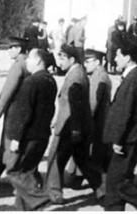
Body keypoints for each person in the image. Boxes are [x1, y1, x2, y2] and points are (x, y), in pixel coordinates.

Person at [43, 44, 102, 205]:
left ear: (72, 59)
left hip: (70, 126)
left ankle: (54, 193)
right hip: (77, 125)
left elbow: (75, 105)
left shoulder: (75, 76)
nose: (59, 62)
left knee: (55, 158)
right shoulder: (78, 72)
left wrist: (74, 130)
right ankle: (103, 190)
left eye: (62, 59)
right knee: (83, 161)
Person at [102, 40, 137, 211]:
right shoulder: (136, 77)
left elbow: (125, 113)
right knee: (115, 185)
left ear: (128, 57)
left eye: (118, 55)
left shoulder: (134, 79)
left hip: (128, 139)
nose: (115, 59)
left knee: (119, 184)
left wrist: (117, 140)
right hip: (131, 137)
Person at [3, 48, 57, 210]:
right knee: (28, 171)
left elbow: (23, 113)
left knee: (14, 170)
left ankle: (40, 199)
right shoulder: (50, 80)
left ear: (39, 61)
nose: (26, 61)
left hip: (27, 136)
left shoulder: (31, 82)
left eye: (30, 59)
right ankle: (23, 209)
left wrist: (16, 139)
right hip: (42, 134)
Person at [0, 35, 29, 191]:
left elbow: (8, 90)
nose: (9, 50)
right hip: (24, 110)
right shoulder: (27, 62)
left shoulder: (18, 65)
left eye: (11, 47)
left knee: (7, 144)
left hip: (14, 110)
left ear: (18, 49)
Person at [84, 49, 113, 177]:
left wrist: (85, 120)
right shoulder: (101, 74)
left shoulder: (98, 77)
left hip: (99, 120)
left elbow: (93, 102)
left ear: (97, 62)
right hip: (103, 119)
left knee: (97, 152)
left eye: (88, 62)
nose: (85, 65)